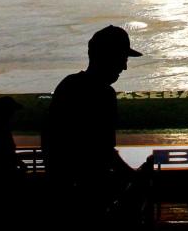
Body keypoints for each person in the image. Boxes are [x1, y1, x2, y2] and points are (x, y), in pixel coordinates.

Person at [43, 25, 142, 209]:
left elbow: (50, 140)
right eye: (123, 58)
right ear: (107, 56)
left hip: (65, 191)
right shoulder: (103, 94)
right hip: (86, 196)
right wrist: (132, 176)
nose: (125, 66)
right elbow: (101, 150)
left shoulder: (68, 85)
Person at [0, 95, 24, 173]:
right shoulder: (1, 129)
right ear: (7, 112)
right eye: (12, 111)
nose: (14, 114)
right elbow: (5, 153)